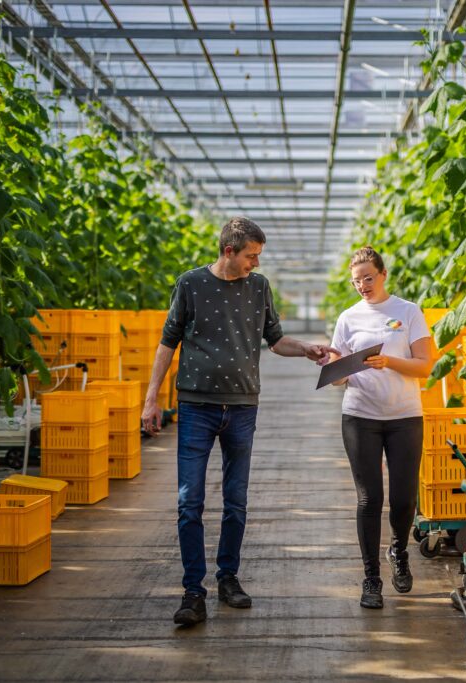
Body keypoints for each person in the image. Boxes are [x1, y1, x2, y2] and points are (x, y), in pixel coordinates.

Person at [141, 216, 334, 627]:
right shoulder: (190, 284)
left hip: (243, 408)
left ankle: (229, 577)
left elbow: (275, 339)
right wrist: (150, 399)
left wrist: (307, 349)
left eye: (258, 257)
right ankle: (194, 591)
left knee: (237, 501)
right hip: (196, 407)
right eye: (251, 256)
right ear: (229, 251)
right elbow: (167, 342)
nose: (255, 264)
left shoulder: (258, 287)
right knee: (189, 501)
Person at [327, 246, 434, 608]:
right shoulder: (348, 318)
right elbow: (338, 373)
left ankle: (399, 551)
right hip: (360, 416)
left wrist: (388, 361)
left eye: (368, 278)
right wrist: (334, 368)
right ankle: (371, 578)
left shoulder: (408, 312)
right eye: (356, 280)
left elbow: (424, 366)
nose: (362, 286)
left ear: (383, 274)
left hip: (404, 416)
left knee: (404, 499)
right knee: (369, 499)